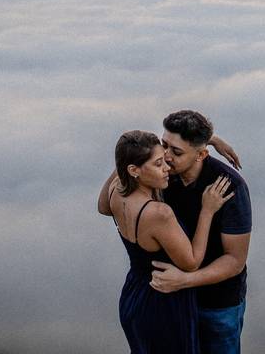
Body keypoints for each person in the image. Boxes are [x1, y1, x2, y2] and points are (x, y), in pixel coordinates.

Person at [99, 112, 252, 354]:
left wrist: (185, 281)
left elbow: (235, 260)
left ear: (201, 154)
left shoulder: (228, 186)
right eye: (164, 145)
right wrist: (211, 140)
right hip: (166, 298)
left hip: (215, 304)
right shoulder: (157, 178)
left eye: (176, 152)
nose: (166, 157)